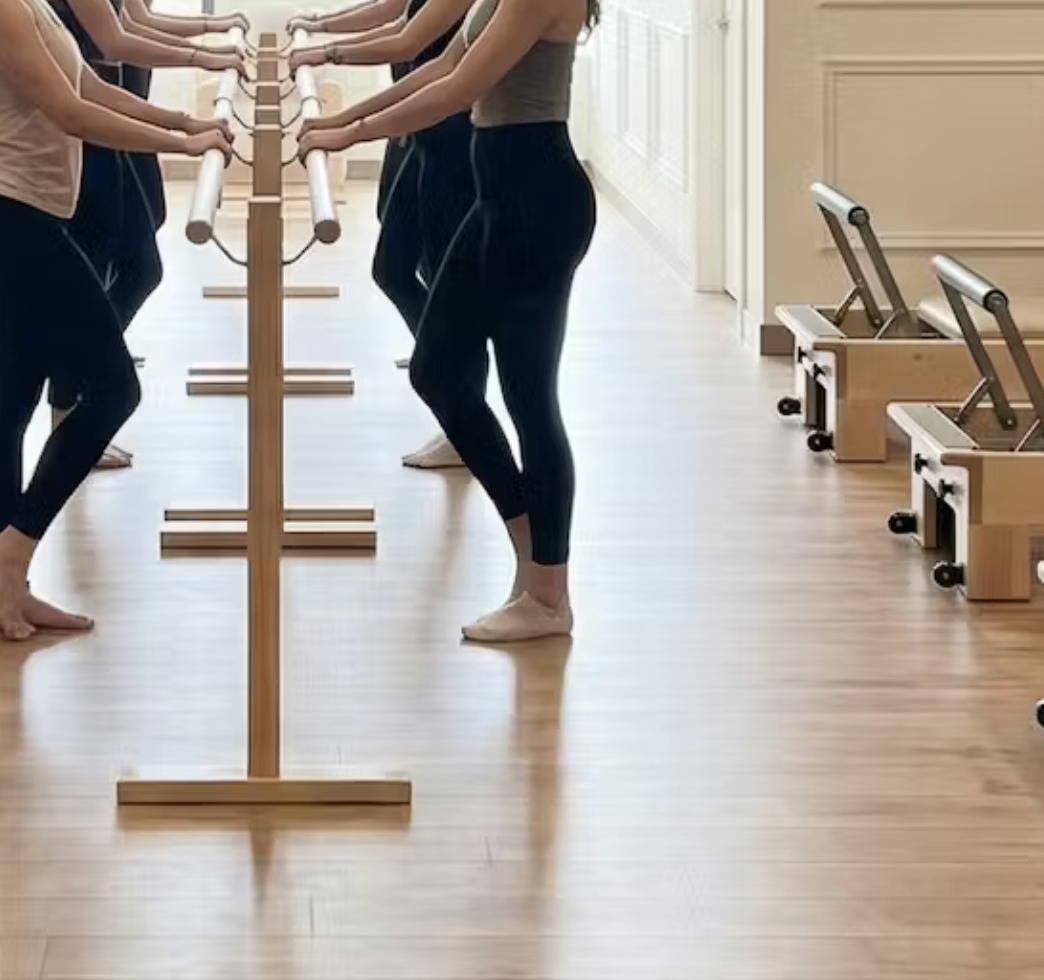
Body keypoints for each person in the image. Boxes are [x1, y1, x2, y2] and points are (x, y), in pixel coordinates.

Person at [299, 0, 598, 641]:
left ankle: (549, 595)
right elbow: (441, 65)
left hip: (537, 200)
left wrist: (350, 135)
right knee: (436, 370)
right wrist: (341, 119)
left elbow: (462, 88)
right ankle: (532, 550)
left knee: (530, 399)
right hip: (496, 198)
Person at [0, 0, 233, 640]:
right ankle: (12, 555)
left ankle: (9, 587)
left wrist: (184, 121)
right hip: (14, 220)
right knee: (113, 389)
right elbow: (69, 111)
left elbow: (89, 85)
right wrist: (182, 144)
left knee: (12, 404)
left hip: (32, 215)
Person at [48, 0, 246, 469]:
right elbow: (113, 42)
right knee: (116, 272)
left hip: (109, 118)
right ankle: (70, 402)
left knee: (136, 265)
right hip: (87, 135)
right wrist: (202, 60)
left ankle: (79, 384)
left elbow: (121, 36)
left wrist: (182, 121)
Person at [290, 0, 485, 470]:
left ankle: (464, 419)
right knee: (393, 269)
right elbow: (398, 17)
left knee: (448, 291)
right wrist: (322, 30)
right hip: (421, 129)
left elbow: (409, 42)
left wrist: (328, 53)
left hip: (453, 139)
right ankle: (439, 362)